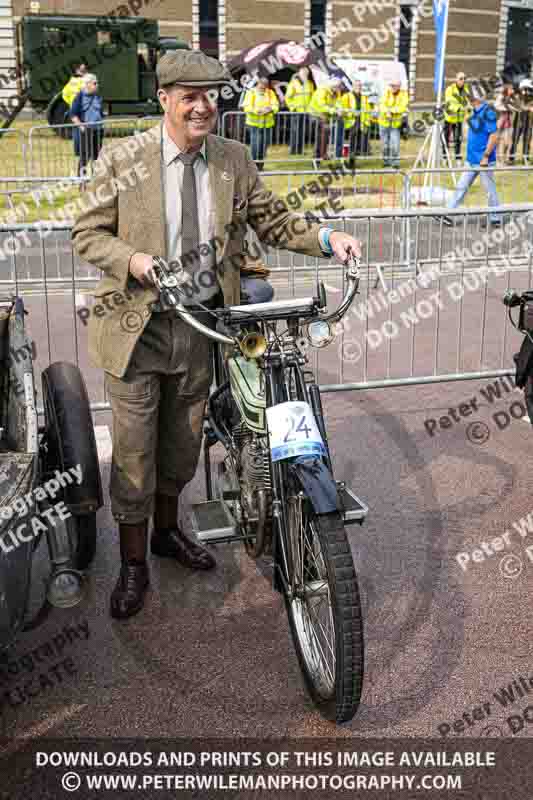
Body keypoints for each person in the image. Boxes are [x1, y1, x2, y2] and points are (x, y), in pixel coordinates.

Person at [70, 50, 362, 620]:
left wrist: (328, 237)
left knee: (181, 445)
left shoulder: (232, 157)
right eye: (191, 97)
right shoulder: (123, 158)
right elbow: (86, 232)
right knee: (133, 452)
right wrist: (132, 259)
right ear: (165, 100)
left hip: (203, 325)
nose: (204, 107)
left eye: (212, 97)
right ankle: (133, 563)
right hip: (137, 329)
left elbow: (274, 220)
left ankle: (166, 532)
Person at [439, 84, 501, 227]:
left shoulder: (488, 112)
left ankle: (495, 218)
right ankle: (448, 213)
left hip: (483, 160)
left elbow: (494, 136)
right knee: (461, 187)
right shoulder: (474, 111)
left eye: (469, 96)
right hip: (471, 159)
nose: (467, 98)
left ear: (475, 98)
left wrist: (486, 155)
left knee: (490, 190)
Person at [70, 73, 104, 182]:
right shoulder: (79, 97)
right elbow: (73, 114)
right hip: (86, 131)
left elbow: (99, 111)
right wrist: (82, 127)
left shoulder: (98, 96)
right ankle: (82, 180)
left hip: (97, 130)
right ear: (88, 84)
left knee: (97, 157)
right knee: (84, 157)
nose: (97, 85)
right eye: (95, 83)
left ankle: (95, 179)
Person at [242, 75, 279, 170]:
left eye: (265, 85)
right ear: (258, 84)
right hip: (254, 124)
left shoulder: (270, 93)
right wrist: (257, 111)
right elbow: (246, 107)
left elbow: (276, 105)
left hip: (267, 124)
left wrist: (270, 109)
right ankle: (253, 165)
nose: (263, 87)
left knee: (264, 145)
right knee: (256, 145)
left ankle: (260, 165)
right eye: (262, 85)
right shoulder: (251, 93)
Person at [308, 77, 343, 164]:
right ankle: (316, 158)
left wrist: (340, 109)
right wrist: (334, 110)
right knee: (320, 137)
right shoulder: (322, 91)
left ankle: (323, 154)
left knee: (326, 135)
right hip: (315, 115)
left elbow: (338, 102)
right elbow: (321, 105)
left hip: (324, 115)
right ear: (333, 86)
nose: (339, 89)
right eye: (338, 87)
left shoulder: (336, 92)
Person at [378, 80, 409, 168]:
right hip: (383, 122)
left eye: (394, 86)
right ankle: (386, 161)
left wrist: (390, 110)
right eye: (391, 85)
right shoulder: (386, 93)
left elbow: (402, 107)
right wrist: (386, 111)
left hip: (395, 124)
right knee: (385, 144)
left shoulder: (404, 94)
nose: (392, 87)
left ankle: (395, 163)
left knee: (395, 144)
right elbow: (382, 105)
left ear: (399, 86)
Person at [285, 66, 314, 155]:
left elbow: (312, 97)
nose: (305, 75)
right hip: (296, 111)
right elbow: (287, 97)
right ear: (299, 74)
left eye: (307, 73)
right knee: (295, 130)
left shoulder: (310, 84)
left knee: (303, 131)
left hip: (306, 111)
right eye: (303, 73)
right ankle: (293, 150)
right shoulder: (293, 83)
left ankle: (300, 150)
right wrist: (292, 108)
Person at [443, 72, 470, 161]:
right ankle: (445, 157)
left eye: (464, 78)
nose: (463, 80)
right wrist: (458, 108)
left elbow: (467, 102)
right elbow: (449, 102)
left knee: (458, 138)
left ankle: (457, 156)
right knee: (446, 138)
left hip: (459, 118)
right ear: (456, 79)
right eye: (461, 78)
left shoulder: (466, 90)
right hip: (449, 117)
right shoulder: (450, 89)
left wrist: (468, 112)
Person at [347, 80, 372, 164]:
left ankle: (356, 159)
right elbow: (343, 107)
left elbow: (368, 110)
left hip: (362, 122)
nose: (359, 87)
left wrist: (367, 122)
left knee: (360, 142)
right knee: (352, 141)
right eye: (357, 86)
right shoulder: (347, 96)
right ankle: (351, 161)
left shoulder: (364, 97)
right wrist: (351, 113)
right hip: (352, 121)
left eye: (360, 86)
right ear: (353, 86)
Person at [508, 78, 533, 164]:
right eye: (525, 89)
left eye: (528, 89)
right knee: (515, 139)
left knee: (527, 139)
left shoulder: (531, 97)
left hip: (529, 121)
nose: (526, 91)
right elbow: (514, 104)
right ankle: (511, 158)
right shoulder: (517, 96)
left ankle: (525, 158)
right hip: (519, 120)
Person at [494, 82, 516, 165]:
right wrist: (505, 108)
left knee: (508, 142)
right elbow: (496, 105)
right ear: (507, 90)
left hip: (508, 122)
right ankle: (499, 160)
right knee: (499, 141)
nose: (513, 90)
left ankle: (503, 158)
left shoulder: (511, 98)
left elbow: (514, 107)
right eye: (511, 89)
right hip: (500, 120)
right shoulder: (501, 96)